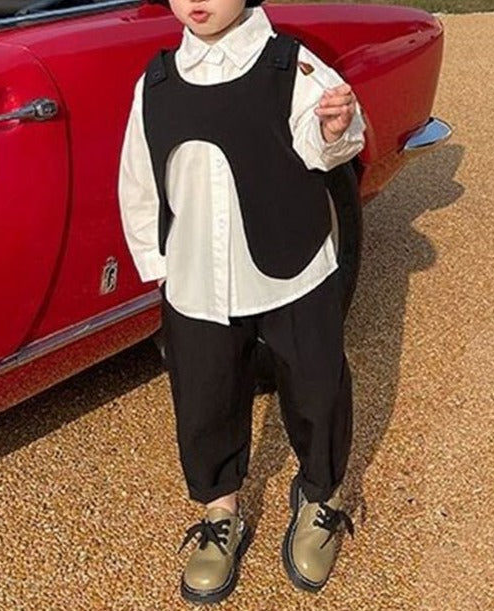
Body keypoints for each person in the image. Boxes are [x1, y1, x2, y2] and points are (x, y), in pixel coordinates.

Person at [118, 0, 366, 603]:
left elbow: (323, 143)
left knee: (316, 385)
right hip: (198, 277)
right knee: (204, 395)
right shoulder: (157, 83)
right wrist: (160, 266)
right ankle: (219, 510)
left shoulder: (289, 64)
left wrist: (334, 130)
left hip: (294, 266)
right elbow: (139, 181)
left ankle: (320, 494)